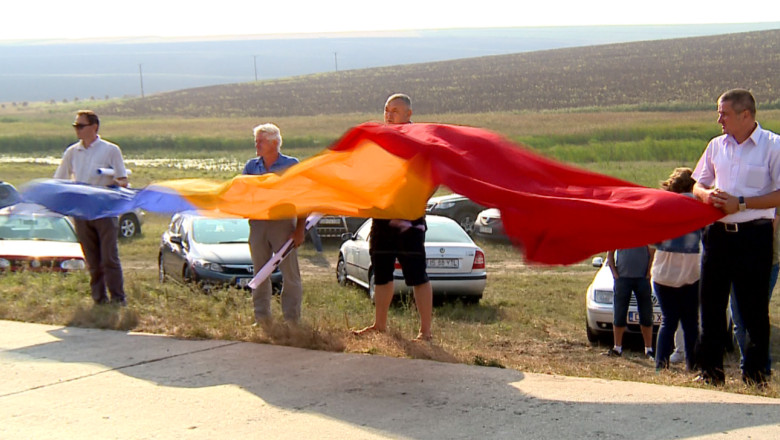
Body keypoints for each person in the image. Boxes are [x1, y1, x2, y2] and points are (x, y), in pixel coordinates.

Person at [692, 88, 780, 387]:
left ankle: (755, 377)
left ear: (746, 115)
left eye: (724, 113)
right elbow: (697, 184)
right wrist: (706, 195)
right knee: (711, 306)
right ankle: (710, 373)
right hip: (717, 236)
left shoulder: (772, 146)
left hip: (754, 236)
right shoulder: (716, 146)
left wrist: (740, 203)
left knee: (753, 309)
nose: (719, 119)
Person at [353, 93, 434, 341]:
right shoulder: (380, 140)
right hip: (382, 217)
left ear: (409, 114)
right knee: (382, 271)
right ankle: (379, 325)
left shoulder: (420, 139)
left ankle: (425, 332)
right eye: (386, 110)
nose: (389, 114)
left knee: (417, 275)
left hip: (409, 219)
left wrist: (418, 200)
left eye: (395, 110)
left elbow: (433, 175)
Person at [53, 110, 128, 306]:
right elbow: (59, 179)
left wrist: (112, 182)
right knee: (92, 259)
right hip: (81, 211)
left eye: (80, 126)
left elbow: (123, 180)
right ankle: (99, 300)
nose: (77, 129)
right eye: (75, 126)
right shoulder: (72, 152)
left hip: (104, 209)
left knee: (109, 258)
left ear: (94, 127)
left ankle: (118, 299)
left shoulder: (111, 150)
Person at [243, 123, 306, 323]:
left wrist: (299, 229)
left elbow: (304, 197)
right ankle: (261, 319)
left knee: (290, 274)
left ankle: (292, 320)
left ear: (275, 142)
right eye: (256, 141)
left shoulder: (291, 164)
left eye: (261, 141)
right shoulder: (251, 167)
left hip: (283, 225)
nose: (257, 145)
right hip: (258, 225)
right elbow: (242, 193)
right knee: (260, 272)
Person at [651, 168, 701, 371]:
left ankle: (660, 365)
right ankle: (693, 365)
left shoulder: (663, 207)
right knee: (690, 323)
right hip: (690, 274)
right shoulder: (699, 206)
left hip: (663, 275)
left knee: (668, 321)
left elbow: (653, 241)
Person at [728, 210, 778, 377]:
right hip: (736, 260)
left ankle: (759, 368)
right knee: (739, 321)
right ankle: (749, 366)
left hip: (766, 263)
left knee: (754, 318)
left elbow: (770, 230)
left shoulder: (770, 197)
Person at [603, 246, 656, 358]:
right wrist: (615, 274)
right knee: (619, 313)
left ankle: (648, 349)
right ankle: (617, 348)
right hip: (622, 279)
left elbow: (652, 252)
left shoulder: (644, 232)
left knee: (646, 314)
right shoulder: (620, 233)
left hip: (642, 279)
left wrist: (648, 273)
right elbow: (610, 253)